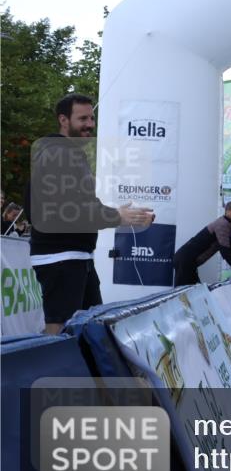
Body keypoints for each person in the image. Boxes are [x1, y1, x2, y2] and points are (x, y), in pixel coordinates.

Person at [25, 93, 156, 335]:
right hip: (60, 257)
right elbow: (60, 209)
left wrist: (124, 217)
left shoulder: (71, 154)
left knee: (90, 327)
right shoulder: (59, 153)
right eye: (82, 118)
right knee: (61, 329)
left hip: (78, 256)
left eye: (92, 118)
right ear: (63, 120)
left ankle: (80, 371)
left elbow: (83, 206)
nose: (90, 124)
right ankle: (56, 370)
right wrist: (117, 216)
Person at [173, 201, 231, 285]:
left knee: (192, 290)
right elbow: (225, 252)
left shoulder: (228, 225)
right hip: (185, 259)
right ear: (227, 211)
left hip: (188, 260)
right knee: (183, 293)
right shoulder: (223, 224)